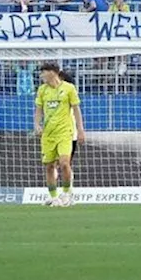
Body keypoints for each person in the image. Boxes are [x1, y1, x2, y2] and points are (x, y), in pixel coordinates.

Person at [34, 62, 85, 207]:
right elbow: (38, 109)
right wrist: (37, 125)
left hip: (65, 132)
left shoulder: (69, 88)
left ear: (53, 72)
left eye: (44, 72)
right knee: (49, 166)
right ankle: (53, 196)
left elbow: (76, 109)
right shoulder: (42, 90)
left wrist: (80, 129)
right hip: (48, 134)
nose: (41, 75)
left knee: (64, 163)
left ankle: (67, 193)